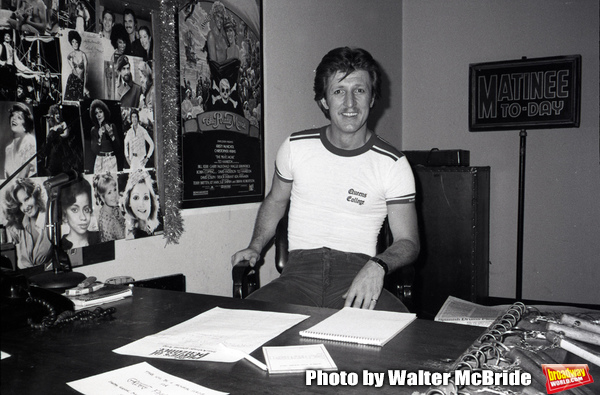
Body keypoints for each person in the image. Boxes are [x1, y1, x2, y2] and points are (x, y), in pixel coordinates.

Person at [231, 47, 420, 312]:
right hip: (297, 278)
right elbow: (275, 201)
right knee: (241, 326)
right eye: (339, 91)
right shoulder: (295, 147)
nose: (350, 103)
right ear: (324, 101)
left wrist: (378, 265)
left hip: (357, 279)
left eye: (360, 90)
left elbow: (408, 241)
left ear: (373, 97)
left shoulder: (393, 164)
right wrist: (254, 246)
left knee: (402, 340)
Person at [3, 178, 52, 269]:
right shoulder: (20, 226)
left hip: (50, 280)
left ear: (35, 195)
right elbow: (21, 264)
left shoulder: (51, 219)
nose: (25, 207)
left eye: (26, 199)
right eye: (20, 204)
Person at [60, 177, 99, 249]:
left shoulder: (100, 238)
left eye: (86, 209)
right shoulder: (60, 248)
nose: (83, 217)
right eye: (75, 210)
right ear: (64, 213)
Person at [120, 169, 161, 239]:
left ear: (151, 201)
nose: (141, 204)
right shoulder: (132, 236)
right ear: (129, 202)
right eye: (136, 198)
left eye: (146, 197)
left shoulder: (151, 229)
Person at [3, 102, 37, 179]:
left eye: (19, 117)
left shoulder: (30, 141)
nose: (13, 118)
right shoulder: (8, 149)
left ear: (25, 124)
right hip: (12, 189)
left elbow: (24, 174)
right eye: (12, 115)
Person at [89, 99, 120, 173]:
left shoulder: (112, 126)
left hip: (111, 159)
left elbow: (118, 147)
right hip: (100, 160)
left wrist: (112, 135)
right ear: (94, 115)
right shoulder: (94, 130)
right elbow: (94, 150)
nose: (99, 115)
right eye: (96, 113)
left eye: (100, 112)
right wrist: (99, 137)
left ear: (104, 112)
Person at [93, 172, 125, 242]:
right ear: (102, 197)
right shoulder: (105, 221)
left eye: (114, 190)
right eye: (109, 193)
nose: (114, 195)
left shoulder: (116, 207)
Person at [63, 30, 88, 101]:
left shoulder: (83, 55)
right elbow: (73, 69)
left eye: (76, 42)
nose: (75, 44)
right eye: (73, 42)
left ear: (79, 42)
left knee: (80, 100)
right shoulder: (70, 56)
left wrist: (84, 86)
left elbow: (86, 73)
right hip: (72, 80)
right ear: (71, 43)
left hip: (81, 81)